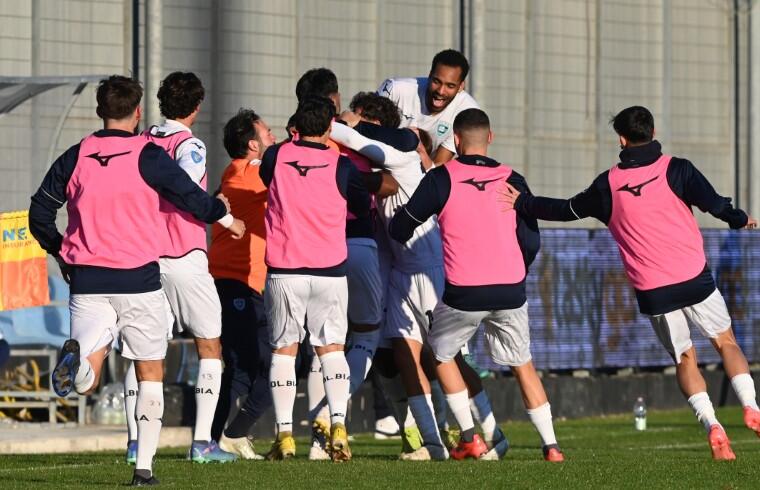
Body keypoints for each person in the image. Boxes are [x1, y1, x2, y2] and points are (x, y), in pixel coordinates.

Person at [500, 105, 760, 460]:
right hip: (693, 277)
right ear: (652, 132)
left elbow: (566, 209)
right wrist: (739, 218)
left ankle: (712, 426)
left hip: (653, 289)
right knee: (726, 342)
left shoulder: (607, 185)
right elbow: (715, 205)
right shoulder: (677, 169)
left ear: (621, 139)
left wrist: (524, 202)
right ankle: (751, 406)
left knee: (685, 358)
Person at [29, 75, 231, 485]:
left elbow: (39, 214)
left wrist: (61, 252)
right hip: (138, 279)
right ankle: (144, 470)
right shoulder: (149, 155)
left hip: (86, 280)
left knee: (89, 375)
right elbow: (191, 200)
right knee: (149, 371)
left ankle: (78, 367)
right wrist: (219, 209)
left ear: (100, 111)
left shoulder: (76, 155)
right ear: (138, 112)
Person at [332, 94, 507, 461]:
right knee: (406, 356)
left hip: (429, 271)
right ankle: (431, 443)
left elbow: (354, 139)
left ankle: (492, 433)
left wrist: (329, 123)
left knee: (447, 361)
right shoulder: (383, 162)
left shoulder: (402, 153)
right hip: (400, 273)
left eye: (364, 120)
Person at [389, 108, 563, 462]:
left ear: (455, 140)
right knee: (523, 365)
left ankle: (470, 437)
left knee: (440, 353)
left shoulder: (442, 178)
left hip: (464, 291)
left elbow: (402, 225)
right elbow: (530, 240)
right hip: (511, 287)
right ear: (490, 138)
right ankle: (552, 446)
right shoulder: (513, 177)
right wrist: (516, 268)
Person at [135, 71, 242, 464]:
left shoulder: (142, 140)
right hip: (182, 255)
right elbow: (188, 193)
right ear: (197, 108)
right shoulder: (190, 144)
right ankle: (201, 444)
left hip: (144, 256)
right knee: (210, 346)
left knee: (146, 352)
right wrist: (224, 216)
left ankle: (136, 444)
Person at [294, 68, 400, 460]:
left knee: (320, 344)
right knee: (366, 335)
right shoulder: (345, 134)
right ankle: (333, 413)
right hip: (355, 241)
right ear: (334, 101)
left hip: (306, 252)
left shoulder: (291, 140)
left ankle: (317, 442)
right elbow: (387, 180)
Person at [259, 96, 371, 462]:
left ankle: (285, 435)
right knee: (332, 349)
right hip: (329, 271)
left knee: (284, 351)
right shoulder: (341, 164)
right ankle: (338, 425)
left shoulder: (276, 156)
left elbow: (265, 178)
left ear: (296, 125)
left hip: (285, 269)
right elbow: (359, 204)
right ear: (328, 128)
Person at [208, 108, 276, 459]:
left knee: (240, 368)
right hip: (239, 284)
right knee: (275, 364)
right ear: (253, 144)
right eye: (268, 134)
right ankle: (234, 431)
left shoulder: (232, 171)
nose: (274, 138)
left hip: (235, 283)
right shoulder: (251, 172)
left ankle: (212, 437)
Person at [377, 49, 479, 165]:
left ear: (461, 86)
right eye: (436, 81)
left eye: (450, 86)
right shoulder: (395, 90)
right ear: (430, 75)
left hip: (421, 174)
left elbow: (439, 164)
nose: (441, 91)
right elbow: (365, 128)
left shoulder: (466, 112)